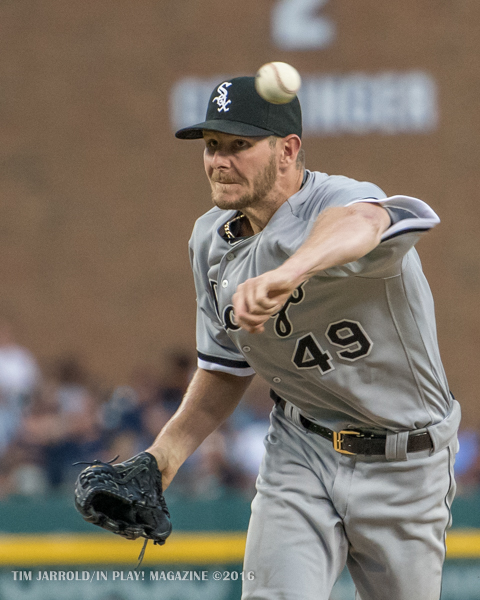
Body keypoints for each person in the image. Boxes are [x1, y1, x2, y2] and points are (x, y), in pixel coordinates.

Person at [145, 76, 460, 600]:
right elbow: (225, 368)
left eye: (239, 145)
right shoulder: (210, 240)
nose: (219, 160)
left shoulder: (334, 200)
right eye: (212, 145)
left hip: (406, 461)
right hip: (301, 449)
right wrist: (165, 455)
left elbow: (366, 221)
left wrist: (289, 273)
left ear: (287, 150)